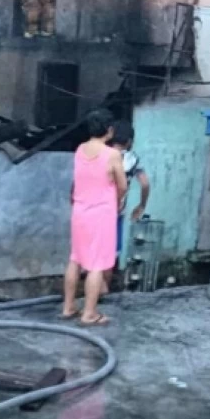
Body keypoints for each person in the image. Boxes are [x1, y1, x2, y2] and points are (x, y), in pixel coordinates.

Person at [61, 108, 126, 326]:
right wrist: (117, 201)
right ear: (109, 130)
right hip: (101, 213)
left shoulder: (80, 150)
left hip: (80, 210)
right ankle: (89, 313)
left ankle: (68, 307)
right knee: (97, 264)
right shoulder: (112, 154)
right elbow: (122, 185)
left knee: (75, 259)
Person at [108, 120, 150, 261]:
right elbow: (145, 184)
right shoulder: (132, 159)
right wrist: (142, 205)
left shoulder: (102, 154)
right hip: (117, 211)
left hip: (97, 210)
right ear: (129, 141)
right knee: (112, 253)